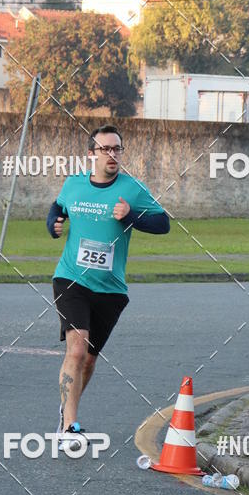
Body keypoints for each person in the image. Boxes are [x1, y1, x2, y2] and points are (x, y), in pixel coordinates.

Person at [46, 124, 170, 435]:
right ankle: (70, 425)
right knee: (76, 350)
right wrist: (53, 224)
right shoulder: (75, 184)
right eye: (105, 149)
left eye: (117, 149)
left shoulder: (132, 189)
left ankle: (67, 407)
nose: (112, 155)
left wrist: (131, 216)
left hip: (111, 289)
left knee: (88, 361)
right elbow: (57, 208)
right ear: (92, 154)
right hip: (71, 279)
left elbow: (163, 223)